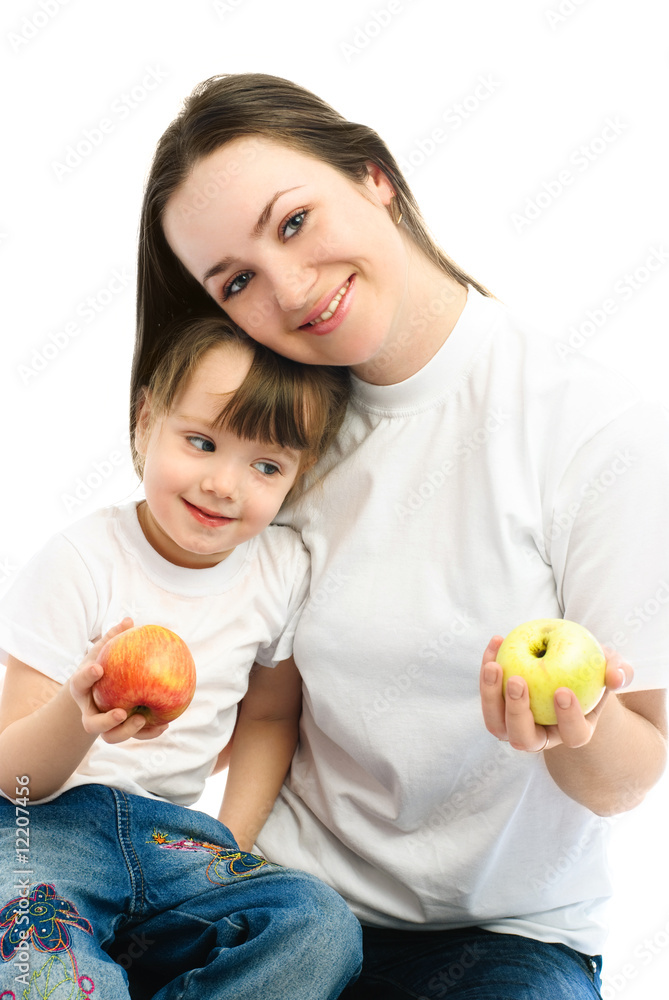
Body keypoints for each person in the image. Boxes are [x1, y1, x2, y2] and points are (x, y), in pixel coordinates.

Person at [130, 73, 669, 999]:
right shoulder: (271, 448)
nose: (289, 289)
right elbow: (252, 702)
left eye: (293, 221)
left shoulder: (592, 429)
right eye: (237, 281)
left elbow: (626, 779)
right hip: (290, 908)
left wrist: (571, 727)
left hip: (502, 940)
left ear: (372, 175)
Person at [0, 316, 360, 998]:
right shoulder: (81, 561)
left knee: (318, 925)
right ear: (145, 424)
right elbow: (14, 781)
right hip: (44, 830)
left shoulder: (281, 569)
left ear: (299, 475)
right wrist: (78, 714)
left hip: (175, 839)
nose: (224, 484)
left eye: (266, 466)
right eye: (201, 442)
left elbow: (267, 718)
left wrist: (231, 843)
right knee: (39, 956)